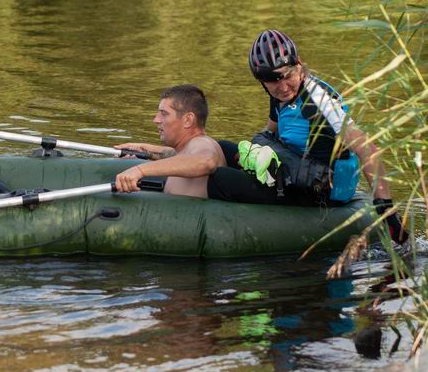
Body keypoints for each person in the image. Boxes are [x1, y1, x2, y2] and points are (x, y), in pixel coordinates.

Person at [207, 29, 408, 244]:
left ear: (299, 65)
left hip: (319, 190)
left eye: (287, 76)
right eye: (272, 81)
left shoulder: (319, 100)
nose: (282, 87)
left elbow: (367, 149)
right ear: (261, 81)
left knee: (219, 179)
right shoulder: (278, 97)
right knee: (222, 148)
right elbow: (269, 133)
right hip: (292, 172)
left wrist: (386, 209)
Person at [114, 84, 226, 198]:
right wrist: (143, 150)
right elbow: (177, 155)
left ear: (188, 120)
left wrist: (140, 170)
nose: (156, 120)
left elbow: (206, 162)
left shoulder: (202, 142)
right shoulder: (187, 149)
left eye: (164, 114)